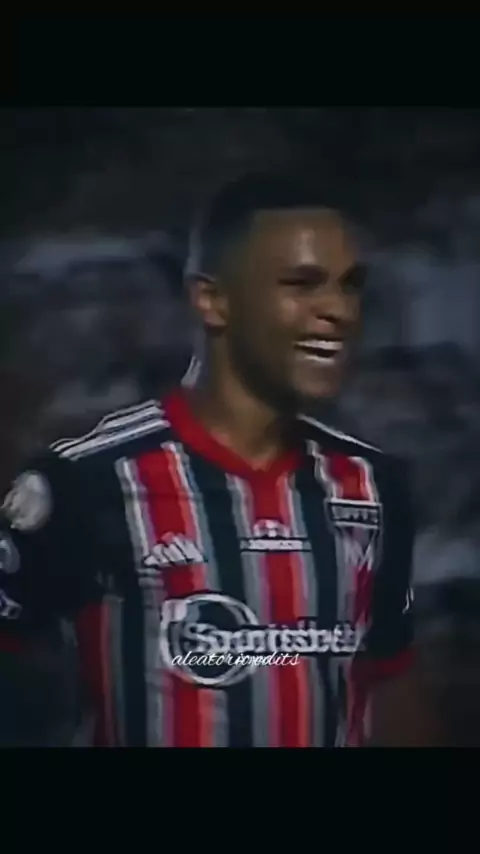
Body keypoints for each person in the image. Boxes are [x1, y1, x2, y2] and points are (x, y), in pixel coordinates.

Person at [0, 173, 426, 747]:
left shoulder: (375, 485)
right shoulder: (81, 481)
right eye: (302, 284)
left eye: (350, 286)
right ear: (212, 300)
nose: (339, 310)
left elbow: (391, 686)